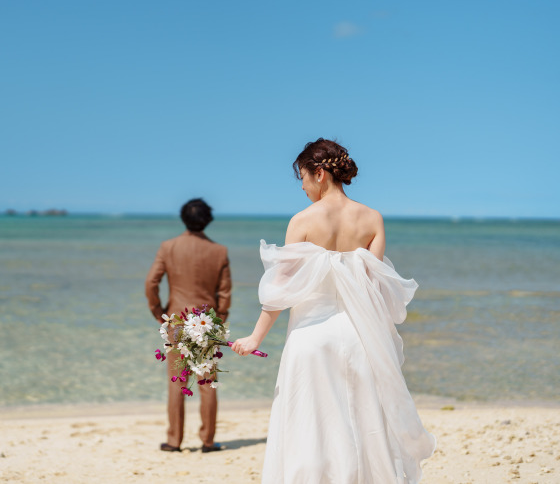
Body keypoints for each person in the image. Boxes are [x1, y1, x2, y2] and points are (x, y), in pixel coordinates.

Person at [232, 138, 435, 483]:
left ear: (321, 173)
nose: (302, 185)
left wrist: (255, 337)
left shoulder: (303, 221)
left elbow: (280, 290)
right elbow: (378, 289)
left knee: (311, 429)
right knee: (363, 425)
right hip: (360, 339)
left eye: (303, 177)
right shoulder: (372, 219)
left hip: (311, 340)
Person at [145, 198, 232, 453]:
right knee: (207, 381)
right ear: (208, 219)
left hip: (176, 321)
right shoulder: (219, 251)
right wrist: (220, 320)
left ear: (184, 218)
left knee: (176, 381)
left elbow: (151, 283)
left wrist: (159, 312)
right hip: (207, 323)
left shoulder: (168, 247)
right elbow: (225, 292)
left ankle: (174, 440)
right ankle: (207, 440)